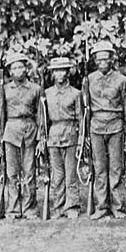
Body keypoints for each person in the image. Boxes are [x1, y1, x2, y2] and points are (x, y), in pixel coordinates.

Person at [85, 41, 126, 220]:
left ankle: (118, 207)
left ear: (112, 60)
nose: (103, 63)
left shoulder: (122, 80)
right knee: (99, 168)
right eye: (99, 60)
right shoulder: (89, 79)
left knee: (116, 168)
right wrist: (85, 133)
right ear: (95, 61)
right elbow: (86, 108)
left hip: (116, 127)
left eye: (106, 59)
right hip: (96, 127)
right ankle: (102, 206)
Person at [0, 52, 43, 219]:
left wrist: (41, 138)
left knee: (30, 172)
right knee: (12, 173)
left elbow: (40, 115)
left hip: (30, 131)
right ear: (10, 71)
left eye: (21, 66)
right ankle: (13, 209)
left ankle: (30, 208)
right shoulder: (4, 89)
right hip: (11, 133)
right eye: (14, 67)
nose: (18, 70)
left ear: (26, 68)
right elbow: (0, 115)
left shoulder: (36, 89)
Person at [40, 57, 83, 219]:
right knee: (57, 175)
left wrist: (80, 140)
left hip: (70, 134)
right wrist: (43, 137)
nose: (59, 74)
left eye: (62, 70)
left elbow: (81, 118)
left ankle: (71, 206)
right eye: (56, 71)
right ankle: (58, 206)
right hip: (53, 136)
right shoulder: (47, 94)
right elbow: (43, 118)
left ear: (67, 72)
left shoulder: (75, 93)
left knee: (70, 174)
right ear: (52, 73)